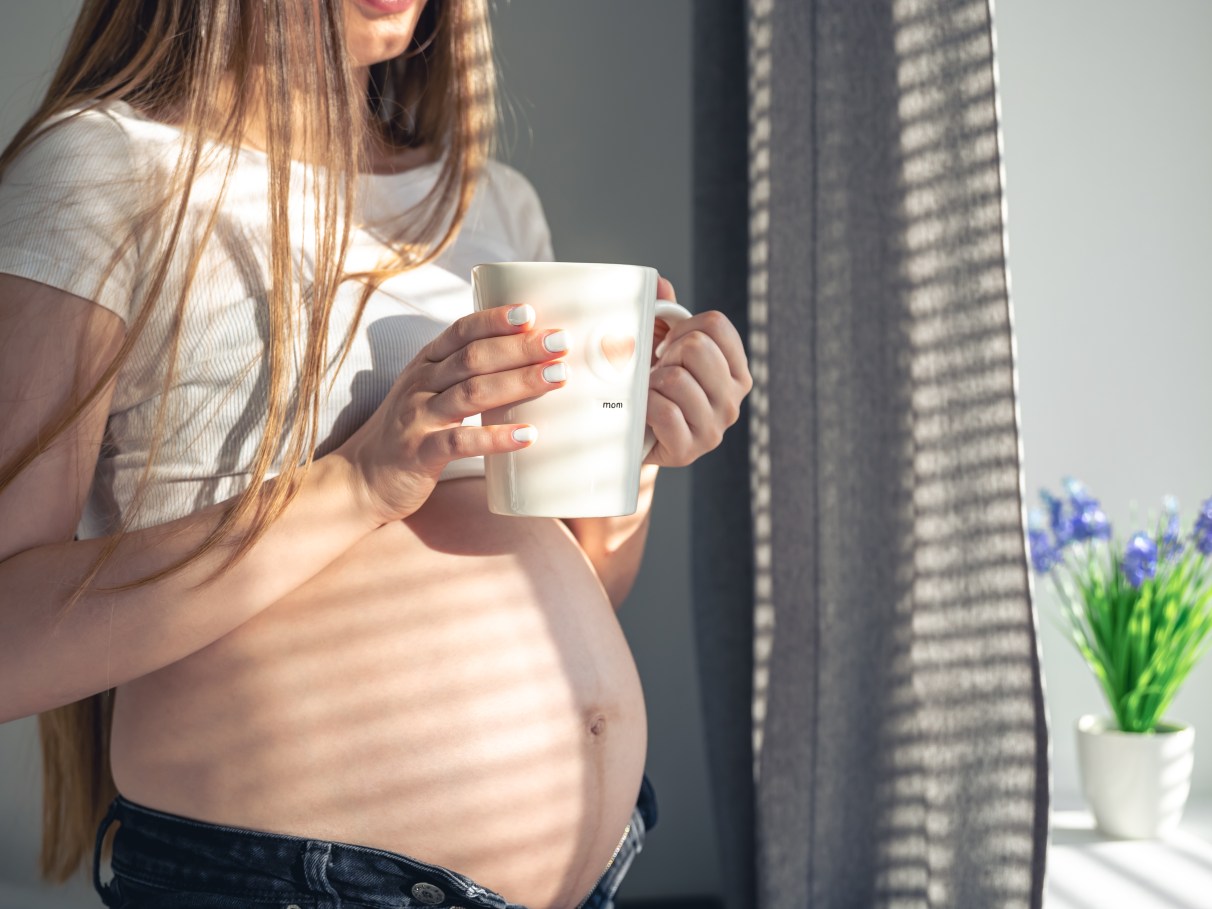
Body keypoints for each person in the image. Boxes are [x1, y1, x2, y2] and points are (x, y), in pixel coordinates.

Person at [0, 1, 753, 907]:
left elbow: (584, 579)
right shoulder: (99, 173)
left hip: (592, 873)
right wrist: (359, 481)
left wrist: (634, 455)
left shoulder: (490, 202)